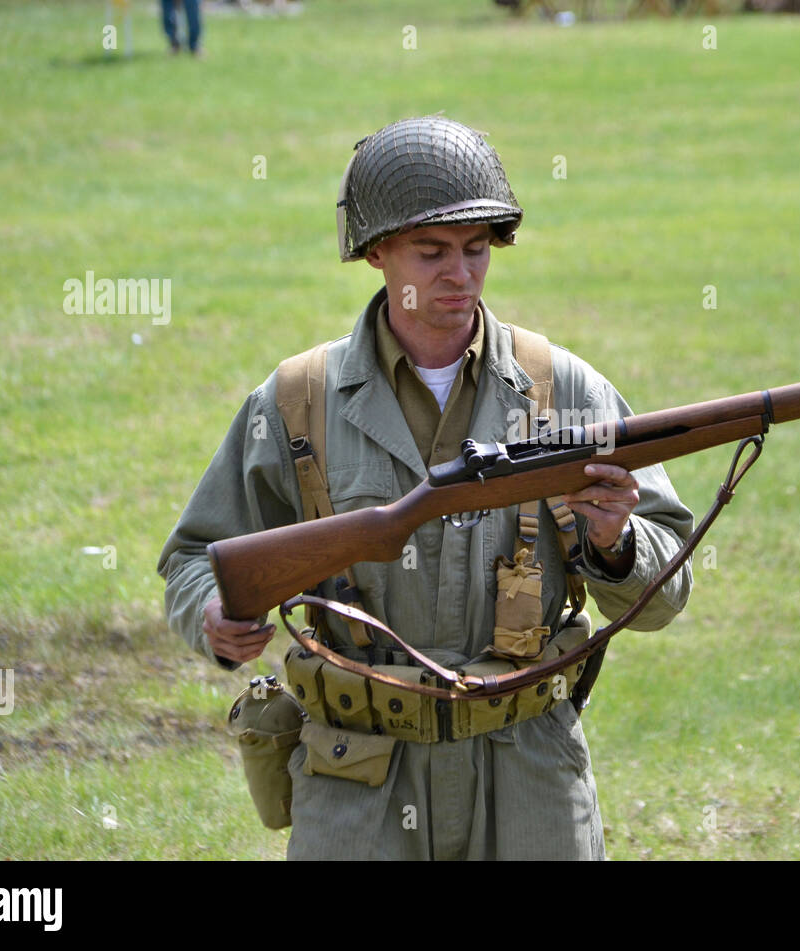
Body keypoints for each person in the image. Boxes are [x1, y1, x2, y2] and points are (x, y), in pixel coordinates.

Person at [157, 116, 695, 860]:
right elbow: (194, 555)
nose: (460, 274)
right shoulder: (297, 401)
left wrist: (615, 540)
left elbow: (666, 591)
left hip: (528, 781)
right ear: (376, 252)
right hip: (359, 785)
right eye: (431, 251)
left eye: (477, 250)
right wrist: (213, 612)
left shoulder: (562, 387)